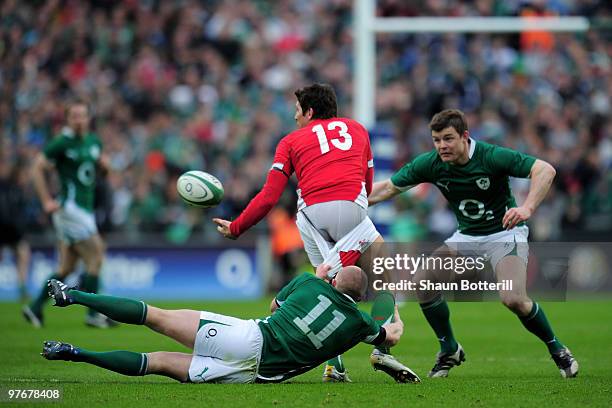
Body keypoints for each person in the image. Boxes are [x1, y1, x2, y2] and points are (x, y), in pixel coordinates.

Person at [213, 83, 403, 382]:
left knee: (325, 288)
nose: (294, 117)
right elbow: (367, 186)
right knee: (383, 274)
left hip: (311, 215)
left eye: (297, 111)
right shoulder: (358, 130)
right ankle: (382, 349)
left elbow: (269, 196)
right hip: (351, 208)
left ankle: (334, 366)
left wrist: (237, 227)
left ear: (310, 111)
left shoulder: (290, 141)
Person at [368, 108, 578, 378]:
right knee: (422, 281)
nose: (442, 146)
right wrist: (349, 201)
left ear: (465, 136)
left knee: (513, 298)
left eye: (448, 139)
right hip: (467, 236)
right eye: (436, 140)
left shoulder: (491, 156)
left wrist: (527, 208)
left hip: (504, 234)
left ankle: (557, 348)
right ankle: (449, 349)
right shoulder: (431, 163)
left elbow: (545, 170)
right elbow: (387, 188)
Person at [41, 264, 420, 384]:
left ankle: (72, 296)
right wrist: (394, 314)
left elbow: (274, 304)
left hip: (249, 338)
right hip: (253, 374)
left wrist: (319, 277)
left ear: (335, 280)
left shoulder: (309, 281)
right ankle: (75, 353)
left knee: (155, 317)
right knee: (155, 362)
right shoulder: (358, 323)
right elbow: (390, 336)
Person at [23, 100, 115, 329]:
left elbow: (100, 171)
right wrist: (46, 200)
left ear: (88, 117)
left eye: (82, 115)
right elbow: (37, 167)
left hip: (85, 209)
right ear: (67, 119)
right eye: (74, 116)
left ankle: (34, 308)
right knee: (96, 256)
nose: (79, 120)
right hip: (71, 209)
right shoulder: (61, 143)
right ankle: (95, 314)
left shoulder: (94, 141)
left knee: (67, 267)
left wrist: (105, 166)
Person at [0, 158, 31, 302]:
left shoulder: (19, 191)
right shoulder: (5, 187)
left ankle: (22, 288)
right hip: (4, 228)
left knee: (23, 253)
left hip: (13, 231)